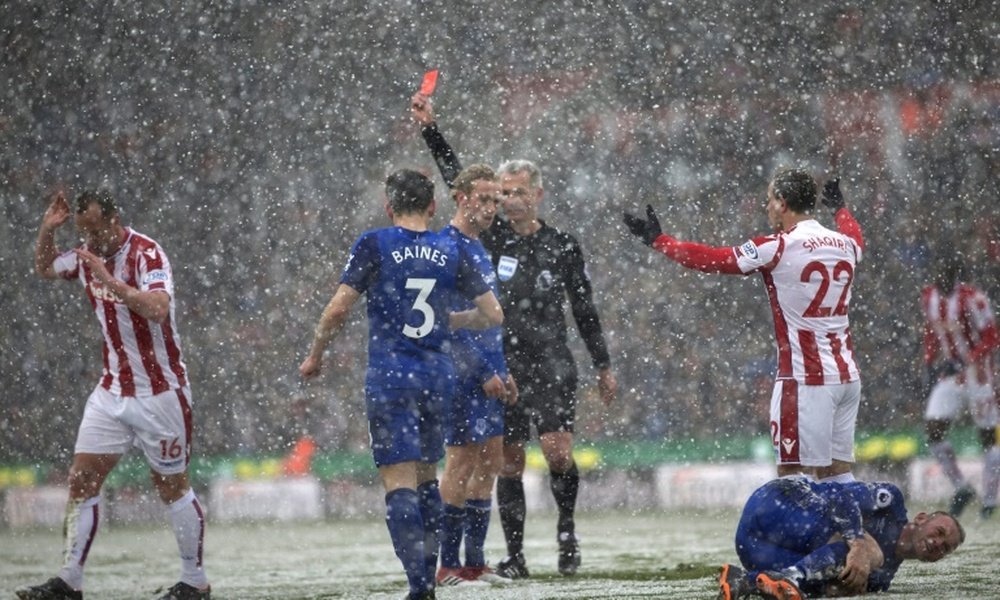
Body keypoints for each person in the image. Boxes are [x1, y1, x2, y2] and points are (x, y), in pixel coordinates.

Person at [411, 91, 618, 578]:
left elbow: (584, 308)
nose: (507, 201)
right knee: (507, 461)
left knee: (557, 452)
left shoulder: (562, 245)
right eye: (502, 194)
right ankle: (517, 555)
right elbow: (456, 176)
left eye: (517, 192)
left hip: (552, 360)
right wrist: (430, 129)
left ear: (538, 194)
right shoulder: (494, 236)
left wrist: (603, 365)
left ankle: (567, 532)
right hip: (506, 361)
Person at [299, 169, 503, 600]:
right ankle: (428, 577)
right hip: (436, 377)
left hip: (391, 377)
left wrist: (316, 353)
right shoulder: (452, 249)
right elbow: (493, 314)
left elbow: (337, 310)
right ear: (433, 207)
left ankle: (418, 586)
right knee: (429, 476)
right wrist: (452, 321)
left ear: (390, 208)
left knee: (399, 483)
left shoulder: (374, 243)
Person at [19, 190, 210, 600]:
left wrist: (110, 281)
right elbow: (44, 267)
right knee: (81, 480)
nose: (89, 241)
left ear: (113, 218)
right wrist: (46, 231)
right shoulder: (85, 254)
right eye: (82, 232)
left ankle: (195, 582)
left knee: (171, 486)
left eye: (95, 230)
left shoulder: (146, 254)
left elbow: (158, 308)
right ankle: (69, 581)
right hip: (112, 391)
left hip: (160, 392)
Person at [624, 171, 864, 482]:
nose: (766, 207)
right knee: (838, 476)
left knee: (792, 479)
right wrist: (841, 209)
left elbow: (714, 259)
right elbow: (856, 236)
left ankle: (811, 533)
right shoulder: (844, 244)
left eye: (769, 200)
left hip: (805, 378)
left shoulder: (778, 246)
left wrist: (661, 242)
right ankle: (853, 532)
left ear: (782, 203)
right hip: (847, 377)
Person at [435, 164, 518, 586]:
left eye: (495, 200)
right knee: (461, 462)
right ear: (459, 196)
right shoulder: (447, 248)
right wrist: (483, 368)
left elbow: (488, 321)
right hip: (460, 375)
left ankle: (474, 563)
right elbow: (448, 322)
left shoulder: (479, 247)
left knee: (491, 461)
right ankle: (447, 564)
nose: (489, 208)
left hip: (489, 373)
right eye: (482, 198)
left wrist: (501, 368)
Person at [717, 477, 965, 599]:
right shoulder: (891, 501)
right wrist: (857, 543)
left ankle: (744, 582)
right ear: (921, 518)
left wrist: (834, 588)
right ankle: (791, 578)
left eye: (946, 547)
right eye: (940, 532)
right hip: (778, 502)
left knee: (825, 580)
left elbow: (829, 588)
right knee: (869, 553)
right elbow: (842, 497)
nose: (938, 543)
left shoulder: (883, 579)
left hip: (754, 548)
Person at [920, 251, 1000, 519]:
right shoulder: (929, 297)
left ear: (956, 276)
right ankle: (963, 488)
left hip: (980, 376)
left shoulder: (973, 299)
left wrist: (968, 359)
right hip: (951, 376)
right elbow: (932, 331)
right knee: (933, 429)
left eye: (946, 274)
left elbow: (992, 336)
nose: (940, 278)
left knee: (988, 438)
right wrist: (929, 361)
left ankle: (989, 502)